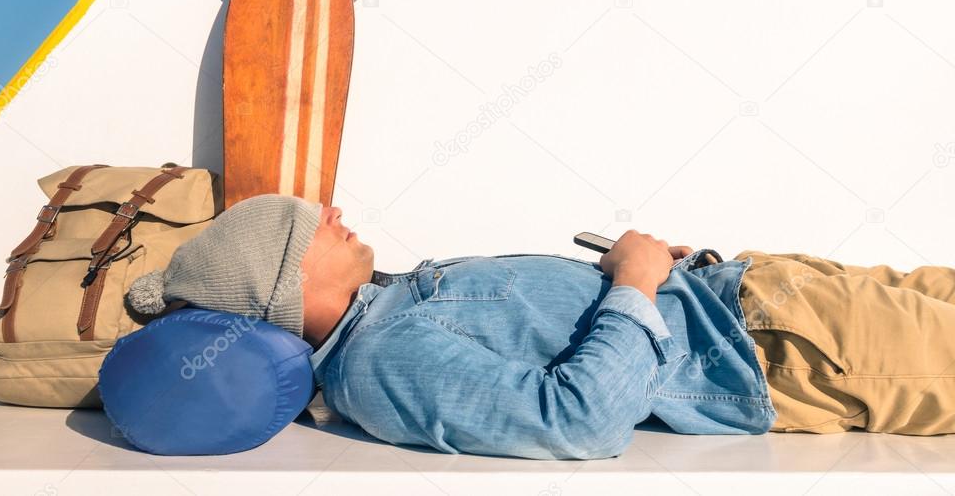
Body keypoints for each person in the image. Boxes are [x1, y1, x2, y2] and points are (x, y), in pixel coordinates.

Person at [128, 194, 955, 460]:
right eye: (304, 228)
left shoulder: (389, 306)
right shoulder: (381, 361)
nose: (332, 211)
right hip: (786, 350)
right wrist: (635, 282)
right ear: (285, 287)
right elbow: (579, 420)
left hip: (761, 288)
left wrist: (656, 269)